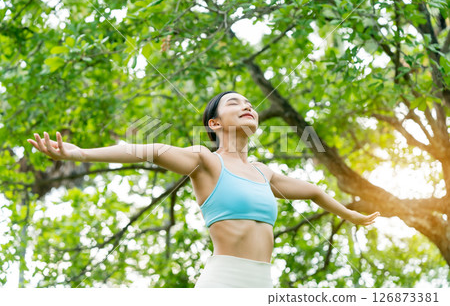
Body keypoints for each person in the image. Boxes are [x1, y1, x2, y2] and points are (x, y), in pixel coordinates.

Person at [27, 90, 380, 288]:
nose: (247, 107)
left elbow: (315, 191)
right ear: (215, 123)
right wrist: (81, 152)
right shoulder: (206, 161)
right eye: (235, 103)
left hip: (264, 285)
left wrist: (348, 213)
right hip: (223, 282)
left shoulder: (264, 173)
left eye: (250, 104)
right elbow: (145, 151)